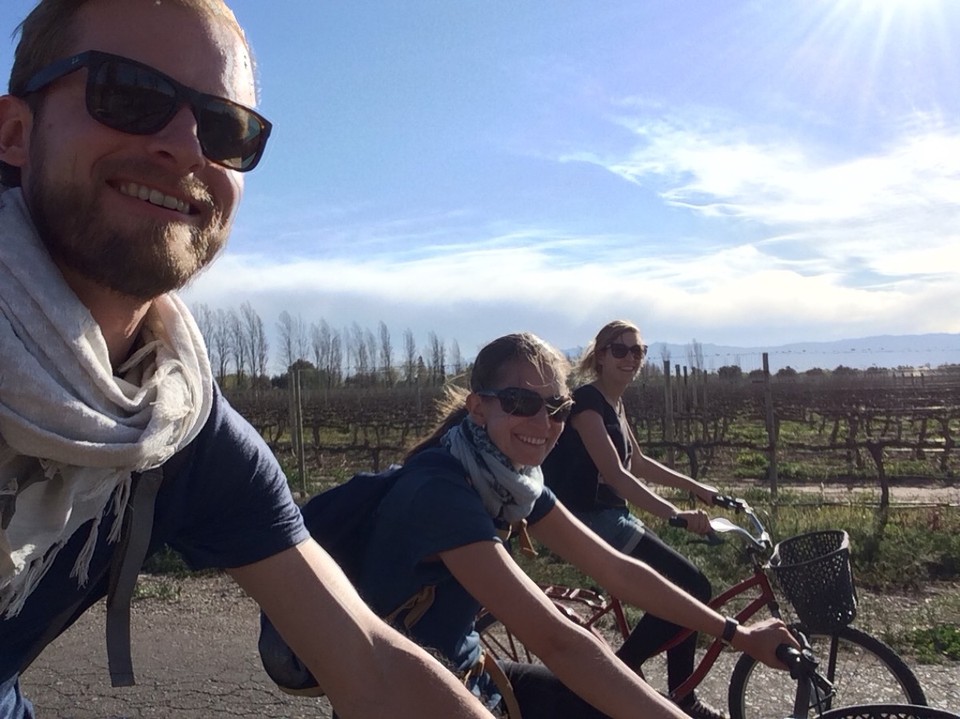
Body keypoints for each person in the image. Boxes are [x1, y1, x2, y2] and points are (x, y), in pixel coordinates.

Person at [0, 2, 494, 717]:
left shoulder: (172, 416)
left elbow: (371, 662)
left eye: (225, 127)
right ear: (15, 132)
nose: (185, 147)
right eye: (129, 94)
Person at [353, 332, 795, 719]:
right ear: (478, 408)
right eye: (521, 403)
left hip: (463, 670)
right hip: (395, 692)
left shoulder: (511, 480)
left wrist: (738, 633)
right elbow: (555, 641)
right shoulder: (441, 490)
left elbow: (615, 570)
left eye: (557, 406)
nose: (544, 424)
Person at [542, 319, 730, 719]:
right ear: (602, 355)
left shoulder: (615, 404)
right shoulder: (587, 405)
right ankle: (623, 675)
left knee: (686, 586)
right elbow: (616, 475)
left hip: (614, 516)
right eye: (621, 349)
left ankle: (678, 692)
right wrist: (676, 514)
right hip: (588, 521)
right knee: (692, 585)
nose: (631, 358)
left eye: (638, 351)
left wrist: (698, 488)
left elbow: (640, 462)